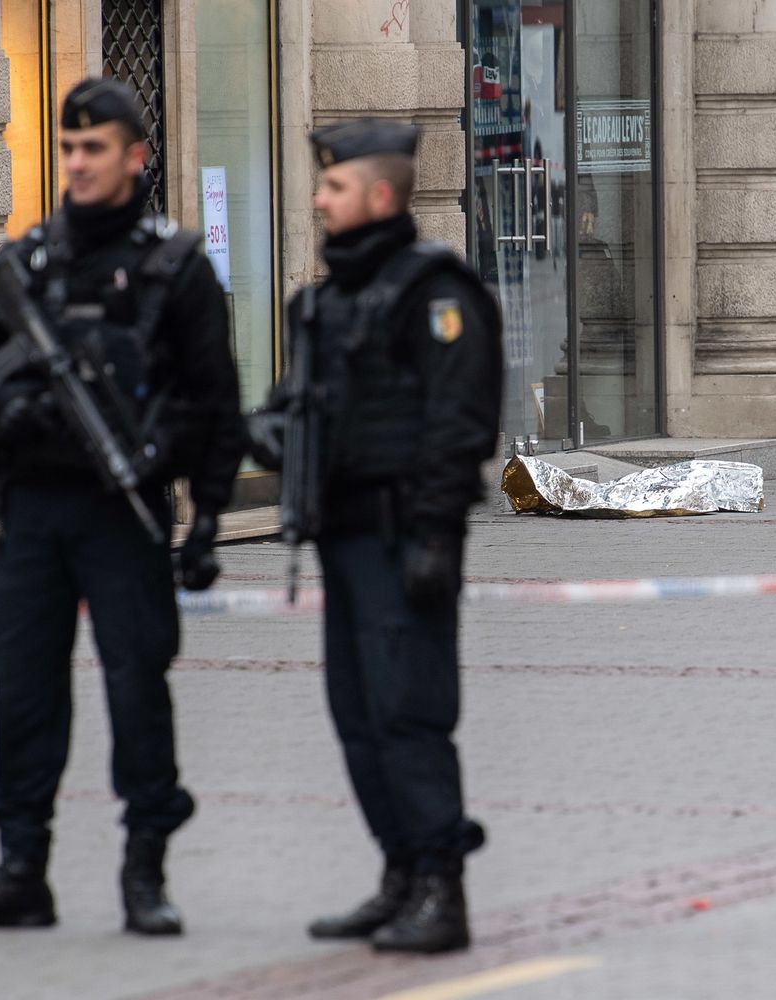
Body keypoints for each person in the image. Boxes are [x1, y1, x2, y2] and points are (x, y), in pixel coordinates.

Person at [0, 77, 244, 936]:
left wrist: (209, 518)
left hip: (124, 514)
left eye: (93, 148)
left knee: (138, 690)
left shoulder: (174, 269)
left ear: (136, 157)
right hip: (30, 515)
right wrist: (2, 401)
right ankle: (20, 869)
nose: (77, 163)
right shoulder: (26, 265)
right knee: (23, 693)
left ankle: (146, 871)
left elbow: (216, 405)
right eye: (67, 148)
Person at [247, 119, 502, 954]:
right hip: (343, 538)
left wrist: (435, 536)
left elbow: (457, 423)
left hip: (406, 540)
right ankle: (400, 873)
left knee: (408, 712)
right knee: (357, 715)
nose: (317, 199)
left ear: (380, 194)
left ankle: (442, 888)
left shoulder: (436, 292)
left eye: (333, 187)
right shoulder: (325, 301)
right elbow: (294, 409)